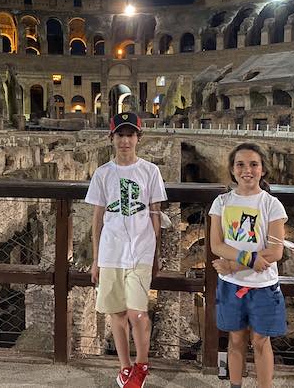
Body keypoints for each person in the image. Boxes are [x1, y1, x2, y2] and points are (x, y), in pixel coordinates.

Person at [85, 112, 167, 388]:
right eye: (120, 135)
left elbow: (155, 214)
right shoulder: (103, 173)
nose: (125, 140)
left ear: (138, 138)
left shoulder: (150, 171)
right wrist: (96, 259)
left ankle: (141, 365)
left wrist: (157, 255)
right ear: (112, 138)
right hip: (111, 252)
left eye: (130, 135)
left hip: (141, 250)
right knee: (117, 314)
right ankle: (124, 367)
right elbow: (97, 219)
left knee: (137, 314)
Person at [209, 142, 288, 388]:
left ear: (262, 170)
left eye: (254, 164)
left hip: (262, 285)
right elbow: (216, 245)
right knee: (235, 340)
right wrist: (251, 259)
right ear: (232, 170)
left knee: (262, 341)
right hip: (231, 286)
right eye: (240, 164)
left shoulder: (272, 205)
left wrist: (234, 266)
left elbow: (275, 251)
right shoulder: (221, 203)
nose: (247, 170)